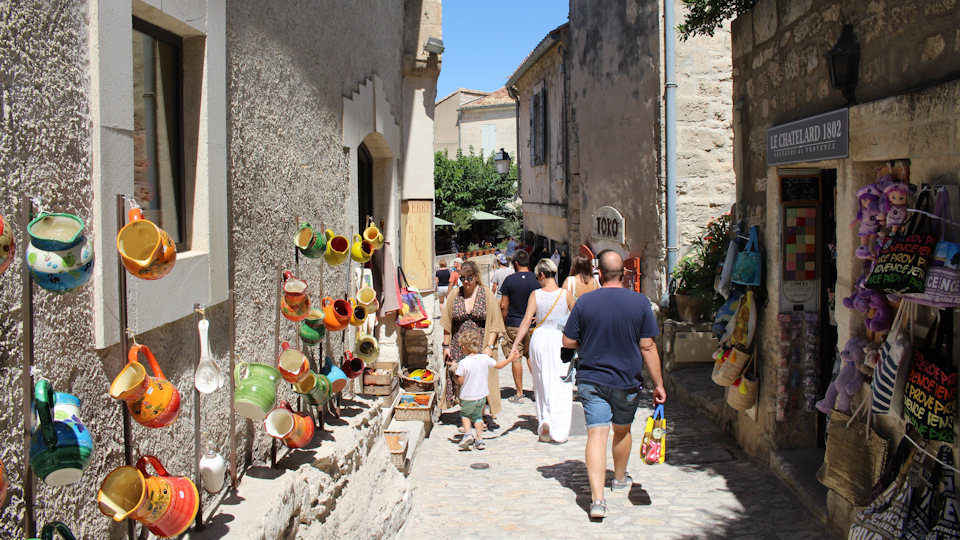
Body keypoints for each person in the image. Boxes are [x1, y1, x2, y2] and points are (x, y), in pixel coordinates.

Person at [562, 251, 666, 520]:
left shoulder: (585, 303)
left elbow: (567, 342)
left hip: (591, 379)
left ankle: (597, 501)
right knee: (622, 430)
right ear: (624, 273)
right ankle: (619, 478)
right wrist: (659, 383)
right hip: (626, 381)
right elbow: (648, 345)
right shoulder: (639, 302)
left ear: (599, 272)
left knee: (596, 434)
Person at [508, 259, 575, 443]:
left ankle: (545, 419)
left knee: (541, 381)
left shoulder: (535, 295)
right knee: (561, 382)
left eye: (538, 277)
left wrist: (516, 345)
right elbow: (578, 318)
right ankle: (559, 429)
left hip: (539, 339)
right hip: (559, 339)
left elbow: (526, 321)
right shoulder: (566, 294)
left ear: (543, 275)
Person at [440, 260, 505, 418]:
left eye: (469, 278)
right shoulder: (456, 294)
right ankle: (468, 417)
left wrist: (490, 346)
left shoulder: (486, 293)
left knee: (480, 381)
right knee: (462, 382)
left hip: (480, 346)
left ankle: (479, 416)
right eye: (463, 278)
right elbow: (448, 323)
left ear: (476, 277)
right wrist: (446, 347)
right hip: (459, 346)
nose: (466, 282)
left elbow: (495, 322)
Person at [449, 329, 518, 450]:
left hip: (468, 396)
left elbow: (461, 381)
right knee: (478, 417)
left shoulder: (463, 363)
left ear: (464, 347)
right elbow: (499, 365)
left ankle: (468, 434)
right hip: (481, 396)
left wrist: (455, 368)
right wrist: (510, 358)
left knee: (465, 415)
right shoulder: (484, 358)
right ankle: (480, 440)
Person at [499, 250, 540, 403]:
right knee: (531, 357)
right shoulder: (537, 279)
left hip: (514, 324)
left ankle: (519, 393)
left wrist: (504, 322)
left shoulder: (509, 280)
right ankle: (537, 390)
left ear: (515, 263)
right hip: (532, 324)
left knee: (516, 357)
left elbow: (504, 305)